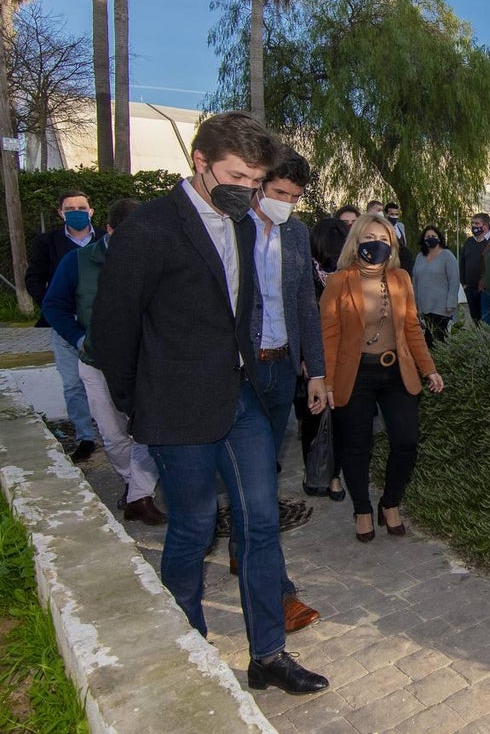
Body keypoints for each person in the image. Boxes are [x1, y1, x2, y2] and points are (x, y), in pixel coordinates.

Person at [90, 111, 328, 695]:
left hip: (238, 397)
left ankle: (268, 654)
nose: (247, 190)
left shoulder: (245, 224)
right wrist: (136, 405)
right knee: (193, 529)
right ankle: (190, 651)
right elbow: (112, 332)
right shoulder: (150, 228)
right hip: (175, 410)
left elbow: (241, 310)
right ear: (199, 162)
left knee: (261, 521)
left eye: (256, 180)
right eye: (237, 176)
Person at [241, 143, 326, 634]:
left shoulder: (295, 234)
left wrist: (315, 370)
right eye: (278, 193)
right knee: (257, 486)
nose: (286, 203)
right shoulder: (231, 228)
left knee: (263, 473)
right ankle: (279, 592)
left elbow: (304, 303)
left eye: (294, 196)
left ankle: (243, 552)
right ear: (257, 184)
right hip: (239, 372)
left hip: (281, 372)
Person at [41, 198, 166, 525]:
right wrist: (79, 338)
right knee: (112, 436)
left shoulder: (155, 259)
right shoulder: (77, 262)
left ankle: (140, 495)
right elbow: (53, 306)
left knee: (145, 431)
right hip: (96, 362)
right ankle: (131, 482)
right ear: (108, 230)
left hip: (145, 364)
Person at [320, 213, 444, 543]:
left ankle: (390, 503)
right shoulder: (340, 281)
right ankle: (362, 508)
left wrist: (429, 368)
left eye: (384, 240)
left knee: (406, 441)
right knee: (356, 446)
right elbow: (328, 335)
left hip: (396, 371)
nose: (377, 245)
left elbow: (412, 327)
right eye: (369, 239)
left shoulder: (400, 278)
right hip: (355, 372)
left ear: (392, 245)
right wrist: (327, 381)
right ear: (356, 241)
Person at [26, 190, 100, 461]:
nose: (77, 212)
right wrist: (53, 305)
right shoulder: (48, 243)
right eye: (70, 208)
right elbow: (33, 278)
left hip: (100, 325)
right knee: (73, 384)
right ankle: (85, 436)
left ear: (91, 211)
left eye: (82, 207)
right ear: (61, 212)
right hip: (65, 325)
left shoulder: (105, 239)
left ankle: (114, 431)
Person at [297, 218, 348, 501]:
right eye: (327, 261)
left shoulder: (350, 276)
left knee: (340, 419)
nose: (332, 267)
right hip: (312, 361)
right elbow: (301, 319)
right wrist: (306, 358)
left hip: (343, 359)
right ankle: (311, 470)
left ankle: (334, 475)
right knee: (313, 418)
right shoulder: (305, 276)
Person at [411, 224, 460, 347]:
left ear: (439, 238)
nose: (430, 238)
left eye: (433, 236)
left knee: (437, 340)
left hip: (442, 307)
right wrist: (414, 304)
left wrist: (451, 302)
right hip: (424, 306)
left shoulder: (447, 256)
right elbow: (415, 280)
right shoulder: (420, 257)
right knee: (428, 339)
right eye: (427, 236)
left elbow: (454, 281)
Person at [459, 213, 490, 324]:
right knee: (475, 318)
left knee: (486, 319)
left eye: (477, 223)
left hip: (485, 289)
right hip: (470, 288)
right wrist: (464, 283)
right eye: (472, 223)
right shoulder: (469, 242)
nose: (474, 226)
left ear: (485, 226)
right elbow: (462, 262)